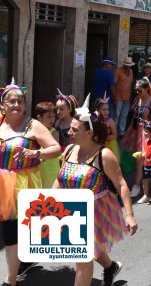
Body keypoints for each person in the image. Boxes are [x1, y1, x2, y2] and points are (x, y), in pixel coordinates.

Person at [53, 95, 137, 286]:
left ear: (89, 133)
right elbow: (60, 179)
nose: (69, 132)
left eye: (75, 130)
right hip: (69, 210)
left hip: (95, 211)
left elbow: (121, 184)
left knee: (83, 258)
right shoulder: (68, 150)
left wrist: (130, 215)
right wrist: (46, 205)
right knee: (91, 250)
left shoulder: (103, 155)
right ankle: (111, 267)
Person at [1, 80, 61, 286]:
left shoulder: (33, 125)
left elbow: (56, 148)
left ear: (25, 105)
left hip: (24, 182)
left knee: (21, 228)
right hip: (2, 183)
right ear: (2, 105)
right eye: (11, 101)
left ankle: (12, 276)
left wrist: (34, 152)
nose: (16, 104)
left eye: (20, 101)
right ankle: (16, 270)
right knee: (10, 228)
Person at [120, 78, 151, 198]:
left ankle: (137, 186)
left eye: (139, 90)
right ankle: (145, 181)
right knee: (136, 158)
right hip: (135, 132)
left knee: (140, 160)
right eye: (136, 90)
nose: (137, 92)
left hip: (146, 134)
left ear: (146, 89)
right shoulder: (137, 99)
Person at [33, 101, 61, 188]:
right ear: (39, 117)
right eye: (49, 116)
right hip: (38, 169)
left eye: (53, 116)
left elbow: (50, 153)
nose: (52, 119)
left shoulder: (54, 133)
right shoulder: (33, 132)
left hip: (51, 169)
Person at [113, 57, 135, 137]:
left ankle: (121, 132)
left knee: (124, 115)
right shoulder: (118, 71)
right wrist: (114, 97)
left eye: (129, 65)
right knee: (116, 116)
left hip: (128, 97)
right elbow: (114, 84)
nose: (128, 67)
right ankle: (114, 132)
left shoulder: (131, 72)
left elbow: (131, 83)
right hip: (118, 97)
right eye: (127, 65)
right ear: (124, 65)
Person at [94, 94, 119, 161]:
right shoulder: (95, 121)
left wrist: (105, 138)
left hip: (109, 144)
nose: (106, 112)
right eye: (104, 110)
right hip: (98, 144)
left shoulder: (110, 121)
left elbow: (115, 135)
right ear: (97, 110)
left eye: (108, 109)